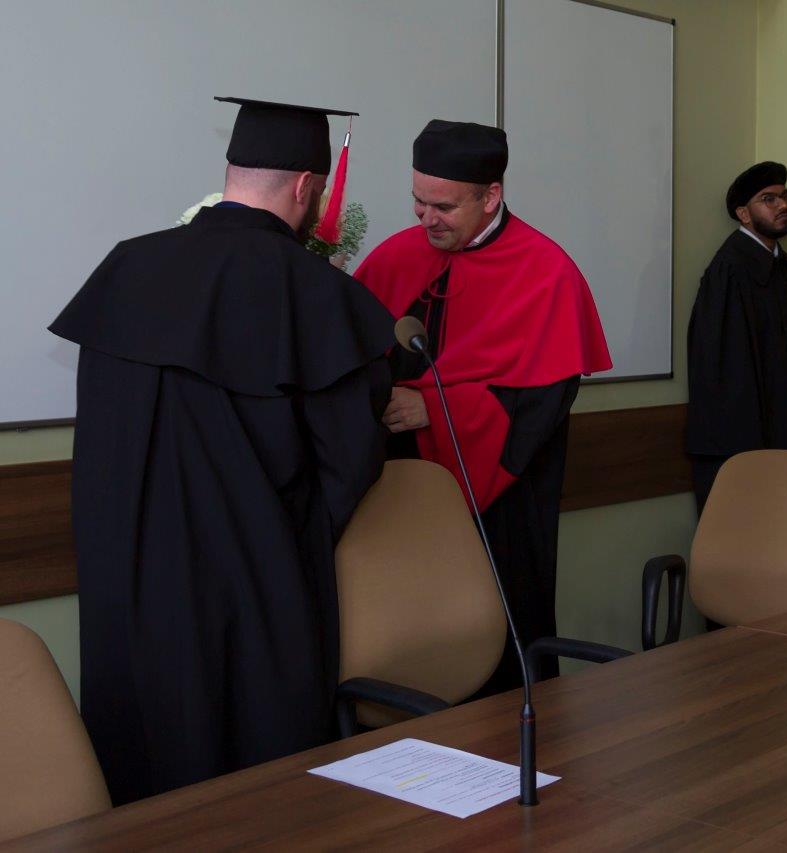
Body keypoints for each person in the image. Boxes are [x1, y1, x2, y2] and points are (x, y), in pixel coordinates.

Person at [49, 97, 394, 804]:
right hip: (253, 589)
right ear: (307, 187)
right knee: (253, 791)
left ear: (230, 170)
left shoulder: (127, 269)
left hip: (128, 589)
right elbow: (348, 461)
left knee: (147, 779)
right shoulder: (312, 293)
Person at [356, 119, 611, 693]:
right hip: (402, 493)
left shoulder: (546, 272)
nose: (426, 219)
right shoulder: (397, 256)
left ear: (490, 196)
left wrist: (437, 409)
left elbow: (543, 401)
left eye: (443, 206)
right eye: (418, 201)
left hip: (502, 501)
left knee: (499, 636)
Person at [686, 161, 787, 513]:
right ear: (744, 214)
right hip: (741, 451)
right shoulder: (729, 272)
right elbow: (724, 375)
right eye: (768, 199)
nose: (782, 205)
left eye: (783, 196)